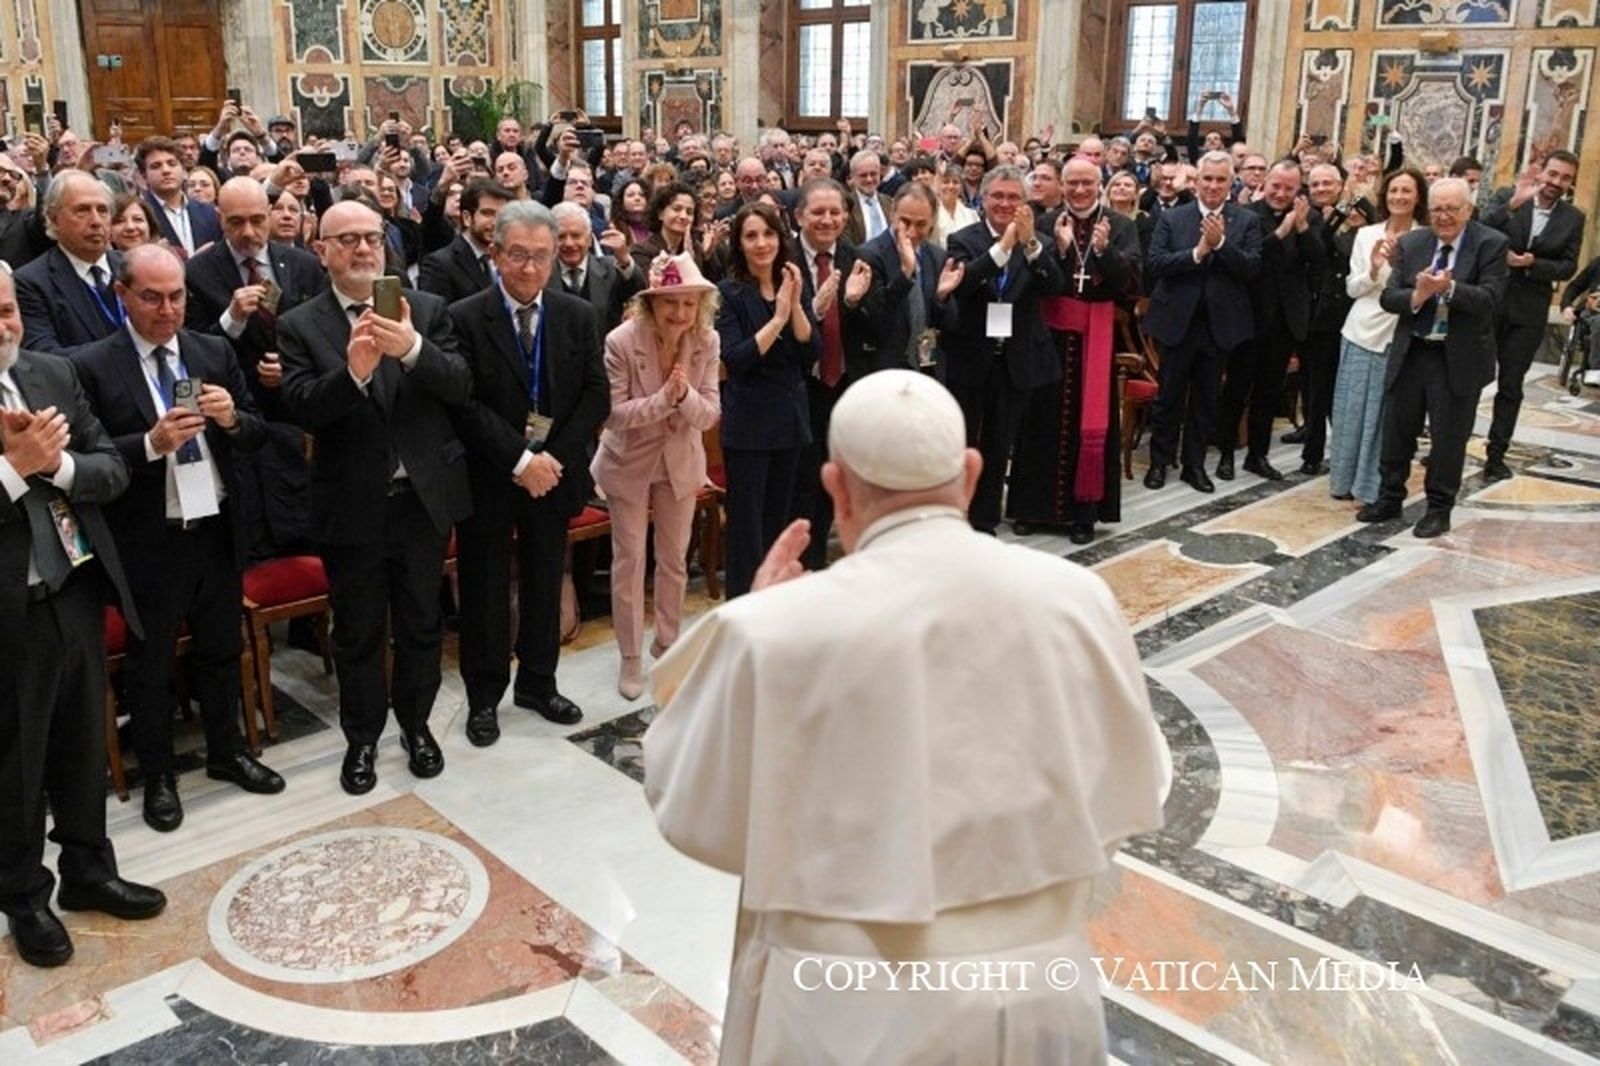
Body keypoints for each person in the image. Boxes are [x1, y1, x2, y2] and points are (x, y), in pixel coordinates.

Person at [643, 369, 1170, 1065]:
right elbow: (1140, 780)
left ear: (836, 488)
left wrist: (758, 614)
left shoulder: (774, 630)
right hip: (1041, 993)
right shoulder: (1079, 597)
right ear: (972, 473)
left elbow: (693, 809)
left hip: (846, 1007)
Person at [69, 244, 282, 831]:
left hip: (214, 525)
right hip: (148, 537)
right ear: (122, 295)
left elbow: (260, 434)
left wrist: (234, 419)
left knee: (220, 647)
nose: (168, 310)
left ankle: (227, 750)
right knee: (153, 663)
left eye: (178, 296)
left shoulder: (211, 349)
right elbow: (84, 460)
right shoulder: (91, 364)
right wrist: (148, 444)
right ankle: (160, 774)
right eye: (152, 298)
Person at [0, 262, 166, 968]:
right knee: (16, 757)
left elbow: (112, 469)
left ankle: (88, 871)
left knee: (79, 739)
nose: (3, 325)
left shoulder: (49, 373)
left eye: (6, 309)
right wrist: (13, 472)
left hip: (71, 583)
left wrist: (58, 466)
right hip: (8, 604)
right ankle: (24, 895)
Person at [278, 200, 473, 793]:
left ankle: (416, 727)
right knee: (358, 632)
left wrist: (412, 348)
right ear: (323, 251)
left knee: (419, 623)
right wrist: (354, 372)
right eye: (348, 240)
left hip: (419, 502)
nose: (364, 249)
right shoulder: (299, 323)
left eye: (372, 237)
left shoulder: (429, 310)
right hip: (352, 506)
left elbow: (460, 385)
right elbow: (301, 408)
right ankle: (361, 739)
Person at [448, 201, 609, 745]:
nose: (530, 268)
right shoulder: (465, 316)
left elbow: (594, 395)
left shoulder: (576, 314)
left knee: (545, 579)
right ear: (495, 253)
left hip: (554, 473)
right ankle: (485, 696)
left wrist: (550, 460)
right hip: (491, 474)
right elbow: (464, 403)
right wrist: (520, 460)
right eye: (518, 255)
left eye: (541, 257)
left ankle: (539, 683)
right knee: (486, 587)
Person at [591, 253, 721, 699]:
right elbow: (612, 415)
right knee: (629, 561)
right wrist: (665, 400)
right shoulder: (621, 341)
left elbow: (708, 414)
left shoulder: (707, 339)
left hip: (680, 461)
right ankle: (629, 657)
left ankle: (667, 643)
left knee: (674, 559)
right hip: (628, 461)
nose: (680, 313)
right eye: (670, 303)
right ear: (651, 304)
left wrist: (682, 398)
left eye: (689, 304)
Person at [185, 177, 328, 562]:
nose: (247, 232)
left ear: (270, 215)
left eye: (255, 220)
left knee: (307, 523)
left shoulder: (303, 265)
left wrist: (293, 368)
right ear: (218, 218)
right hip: (239, 420)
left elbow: (325, 334)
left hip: (299, 414)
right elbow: (192, 351)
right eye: (235, 222)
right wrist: (231, 319)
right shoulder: (198, 272)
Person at [1360, 177, 1508, 538]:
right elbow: (1389, 297)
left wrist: (1450, 289)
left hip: (1456, 357)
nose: (1442, 217)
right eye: (1436, 209)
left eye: (1451, 209)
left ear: (1468, 210)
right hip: (1414, 350)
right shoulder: (1413, 243)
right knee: (1398, 430)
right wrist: (1419, 295)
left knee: (1448, 438)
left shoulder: (1491, 243)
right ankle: (1389, 496)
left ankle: (1439, 508)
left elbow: (1491, 298)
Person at [1009, 157, 1140, 544]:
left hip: (1094, 337)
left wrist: (1104, 253)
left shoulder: (1121, 226)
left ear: (1099, 184)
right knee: (1038, 423)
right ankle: (1031, 509)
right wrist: (1061, 252)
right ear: (1061, 186)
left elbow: (1132, 284)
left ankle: (1084, 514)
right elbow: (1034, 278)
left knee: (1089, 424)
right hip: (1047, 337)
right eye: (1072, 184)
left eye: (1087, 183)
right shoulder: (1048, 223)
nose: (1079, 191)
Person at [942, 164, 1066, 533]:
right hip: (971, 356)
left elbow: (1054, 285)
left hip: (1016, 359)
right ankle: (952, 515)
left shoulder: (1036, 240)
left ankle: (984, 520)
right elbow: (964, 284)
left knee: (999, 444)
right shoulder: (963, 239)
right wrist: (1003, 246)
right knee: (962, 441)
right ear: (983, 198)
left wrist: (1028, 245)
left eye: (1014, 197)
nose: (1005, 203)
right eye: (998, 196)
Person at [1142, 151, 1263, 493]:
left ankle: (1194, 465)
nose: (1213, 185)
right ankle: (1159, 462)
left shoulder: (1246, 221)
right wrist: (1197, 253)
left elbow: (1252, 268)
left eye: (1220, 180)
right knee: (1168, 398)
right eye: (1207, 179)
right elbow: (1156, 264)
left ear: (1230, 183)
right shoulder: (1173, 218)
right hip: (1177, 322)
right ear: (1195, 183)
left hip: (1219, 325)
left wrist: (1220, 243)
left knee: (1206, 400)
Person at [716, 201, 816, 598]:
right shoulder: (730, 293)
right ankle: (743, 605)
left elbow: (810, 352)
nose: (762, 243)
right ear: (739, 244)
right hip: (749, 424)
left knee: (780, 521)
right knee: (747, 528)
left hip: (790, 419)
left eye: (769, 234)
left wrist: (793, 307)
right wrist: (777, 318)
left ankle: (775, 599)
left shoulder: (791, 279)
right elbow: (736, 359)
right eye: (751, 236)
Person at [1216, 161, 1326, 482]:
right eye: (1276, 186)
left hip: (1284, 322)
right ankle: (1225, 453)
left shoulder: (1310, 217)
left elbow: (1317, 263)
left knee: (1268, 392)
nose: (1281, 194)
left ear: (1298, 189)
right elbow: (1250, 261)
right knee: (1237, 388)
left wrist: (1303, 228)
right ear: (1265, 182)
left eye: (1289, 189)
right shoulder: (1246, 215)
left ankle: (1257, 455)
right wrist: (1281, 232)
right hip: (1248, 318)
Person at [1479, 150, 1584, 481]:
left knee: (1510, 385)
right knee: (1467, 379)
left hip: (1529, 312)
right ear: (1542, 172)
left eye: (1565, 178)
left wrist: (1532, 264)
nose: (1557, 182)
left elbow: (1568, 266)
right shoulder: (1509, 198)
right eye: (1553, 174)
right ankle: (1447, 444)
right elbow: (1478, 229)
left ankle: (1496, 454)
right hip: (1489, 303)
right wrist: (1512, 204)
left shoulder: (1573, 218)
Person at [1329, 167, 1424, 505]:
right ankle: (1343, 480)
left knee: (1386, 417)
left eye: (1407, 191)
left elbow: (1422, 291)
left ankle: (1373, 487)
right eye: (1394, 190)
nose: (1399, 196)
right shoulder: (1367, 234)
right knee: (1351, 410)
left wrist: (1401, 264)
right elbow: (1353, 288)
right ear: (1385, 196)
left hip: (1400, 334)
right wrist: (1372, 268)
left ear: (1417, 197)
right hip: (1360, 331)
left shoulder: (1424, 237)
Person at [14, 172, 125, 354]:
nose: (96, 221)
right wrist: (128, 353)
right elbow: (46, 357)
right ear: (53, 218)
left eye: (103, 210)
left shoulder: (133, 266)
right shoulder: (30, 283)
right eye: (82, 210)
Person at [418, 179, 512, 306]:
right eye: (487, 214)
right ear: (467, 217)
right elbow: (436, 320)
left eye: (502, 215)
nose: (496, 222)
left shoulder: (510, 259)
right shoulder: (439, 265)